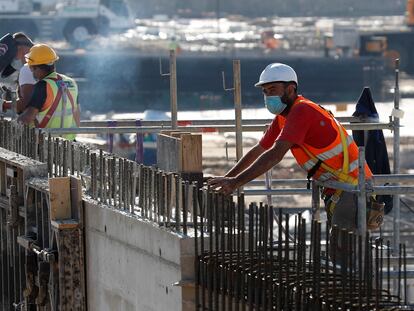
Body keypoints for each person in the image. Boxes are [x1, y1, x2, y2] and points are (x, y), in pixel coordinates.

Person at [208, 63, 376, 236]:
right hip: (339, 187)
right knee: (344, 249)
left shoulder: (302, 111)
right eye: (265, 91)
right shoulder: (283, 117)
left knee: (347, 250)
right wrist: (227, 179)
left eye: (272, 89)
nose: (267, 96)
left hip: (354, 186)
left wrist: (235, 182)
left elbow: (274, 154)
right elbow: (260, 149)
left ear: (290, 89)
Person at [17, 43, 80, 141]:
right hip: (69, 142)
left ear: (37, 68)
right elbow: (76, 113)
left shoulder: (43, 86)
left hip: (47, 144)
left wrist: (15, 122)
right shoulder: (71, 82)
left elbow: (27, 118)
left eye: (32, 68)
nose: (32, 72)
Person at [0, 32, 36, 113]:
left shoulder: (29, 68)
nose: (14, 59)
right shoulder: (37, 67)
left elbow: (24, 104)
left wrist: (4, 104)